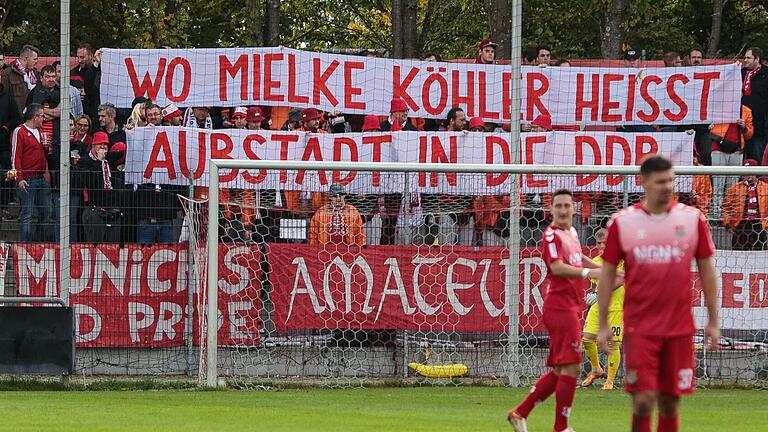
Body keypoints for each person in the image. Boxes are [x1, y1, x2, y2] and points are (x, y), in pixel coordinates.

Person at [596, 155, 719, 432]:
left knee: (670, 401)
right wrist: (602, 323)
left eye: (671, 180)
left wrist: (713, 320)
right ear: (644, 183)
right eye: (661, 181)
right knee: (642, 400)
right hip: (640, 327)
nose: (668, 187)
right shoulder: (622, 223)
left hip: (679, 328)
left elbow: (707, 271)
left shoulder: (691, 219)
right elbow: (606, 275)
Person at [508, 189, 606, 432]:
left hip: (570, 306)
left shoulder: (571, 233)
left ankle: (520, 413)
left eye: (567, 205)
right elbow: (557, 266)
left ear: (574, 208)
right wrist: (590, 273)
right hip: (560, 308)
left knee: (561, 369)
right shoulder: (551, 235)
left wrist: (601, 268)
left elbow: (578, 256)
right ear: (551, 210)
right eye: (558, 206)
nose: (563, 210)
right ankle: (561, 427)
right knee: (572, 366)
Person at [580, 228, 624, 390]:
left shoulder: (622, 260)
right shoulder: (597, 261)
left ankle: (610, 381)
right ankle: (596, 369)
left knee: (613, 344)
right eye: (598, 243)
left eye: (603, 243)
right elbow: (597, 281)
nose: (600, 246)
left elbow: (620, 281)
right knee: (586, 338)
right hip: (599, 306)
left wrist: (598, 293)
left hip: (616, 307)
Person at [11, 103, 51, 242]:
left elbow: (42, 154)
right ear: (34, 117)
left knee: (46, 212)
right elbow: (16, 156)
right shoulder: (19, 131)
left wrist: (46, 149)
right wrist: (19, 178)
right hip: (27, 179)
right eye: (42, 116)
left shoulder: (40, 132)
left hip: (41, 178)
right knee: (26, 213)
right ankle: (25, 245)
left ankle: (39, 242)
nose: (43, 119)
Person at [76, 131, 125, 243]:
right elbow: (89, 181)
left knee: (112, 248)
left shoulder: (110, 159)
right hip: (94, 209)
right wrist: (98, 161)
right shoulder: (85, 161)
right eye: (100, 144)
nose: (103, 147)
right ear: (93, 145)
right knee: (95, 247)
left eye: (105, 144)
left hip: (112, 208)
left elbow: (124, 151)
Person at [721, 159, 768, 250]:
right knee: (738, 252)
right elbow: (725, 208)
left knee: (760, 253)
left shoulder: (766, 188)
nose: (748, 175)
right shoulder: (734, 189)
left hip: (759, 225)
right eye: (745, 172)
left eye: (750, 171)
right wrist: (727, 222)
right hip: (741, 224)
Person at [741, 47, 768, 162]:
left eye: (748, 57)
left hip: (759, 127)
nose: (745, 60)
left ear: (757, 59)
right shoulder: (739, 73)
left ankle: (760, 180)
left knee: (756, 158)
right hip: (741, 126)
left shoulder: (766, 74)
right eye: (744, 57)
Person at [1, 45, 39, 117]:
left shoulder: (35, 74)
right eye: (34, 59)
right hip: (15, 119)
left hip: (31, 118)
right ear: (26, 58)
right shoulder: (8, 73)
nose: (36, 62)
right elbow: (4, 99)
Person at [72, 43, 101, 122]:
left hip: (96, 115)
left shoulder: (100, 72)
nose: (79, 60)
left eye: (82, 57)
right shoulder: (72, 74)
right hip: (78, 117)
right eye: (78, 57)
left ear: (91, 56)